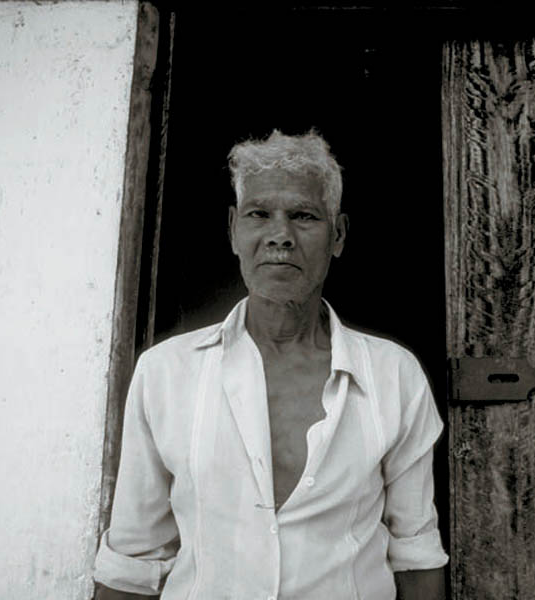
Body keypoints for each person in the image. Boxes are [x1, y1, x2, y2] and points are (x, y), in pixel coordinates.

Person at [93, 130, 448, 599]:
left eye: (304, 216)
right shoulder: (165, 373)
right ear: (233, 230)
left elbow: (416, 552)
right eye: (259, 214)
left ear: (338, 234)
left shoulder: (394, 376)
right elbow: (132, 561)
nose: (280, 236)